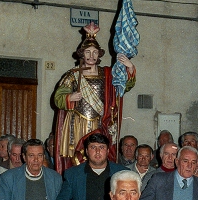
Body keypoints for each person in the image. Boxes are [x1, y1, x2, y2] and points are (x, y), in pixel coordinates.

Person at [53, 23, 136, 173]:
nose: (91, 56)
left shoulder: (108, 74)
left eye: (95, 52)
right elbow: (58, 98)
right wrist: (70, 97)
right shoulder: (72, 75)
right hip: (77, 122)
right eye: (88, 52)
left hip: (100, 122)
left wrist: (129, 67)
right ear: (82, 54)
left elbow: (124, 87)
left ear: (99, 55)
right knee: (78, 159)